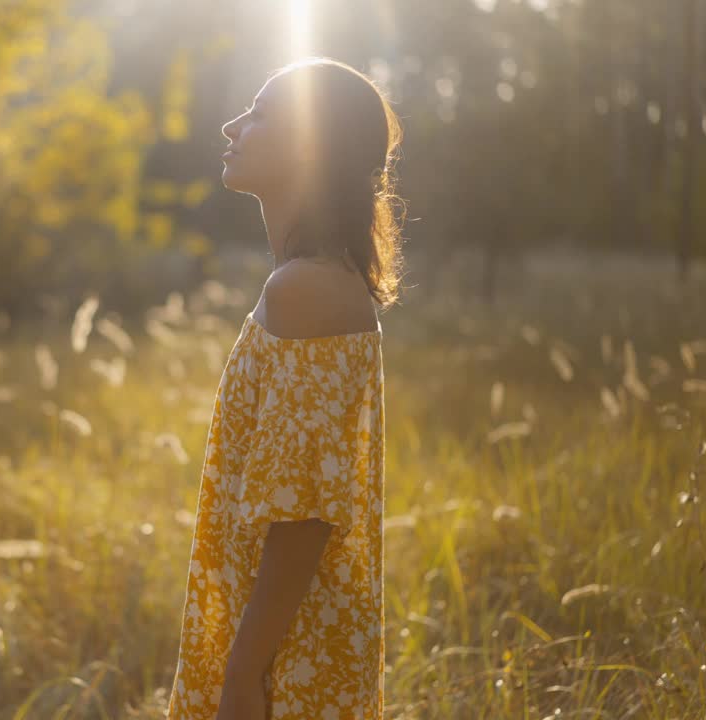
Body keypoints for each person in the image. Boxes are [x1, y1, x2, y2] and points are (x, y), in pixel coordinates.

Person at [165, 56, 404, 720]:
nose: (230, 126)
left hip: (287, 655)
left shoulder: (307, 291)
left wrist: (244, 678)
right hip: (273, 635)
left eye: (260, 114)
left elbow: (303, 515)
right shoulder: (310, 281)